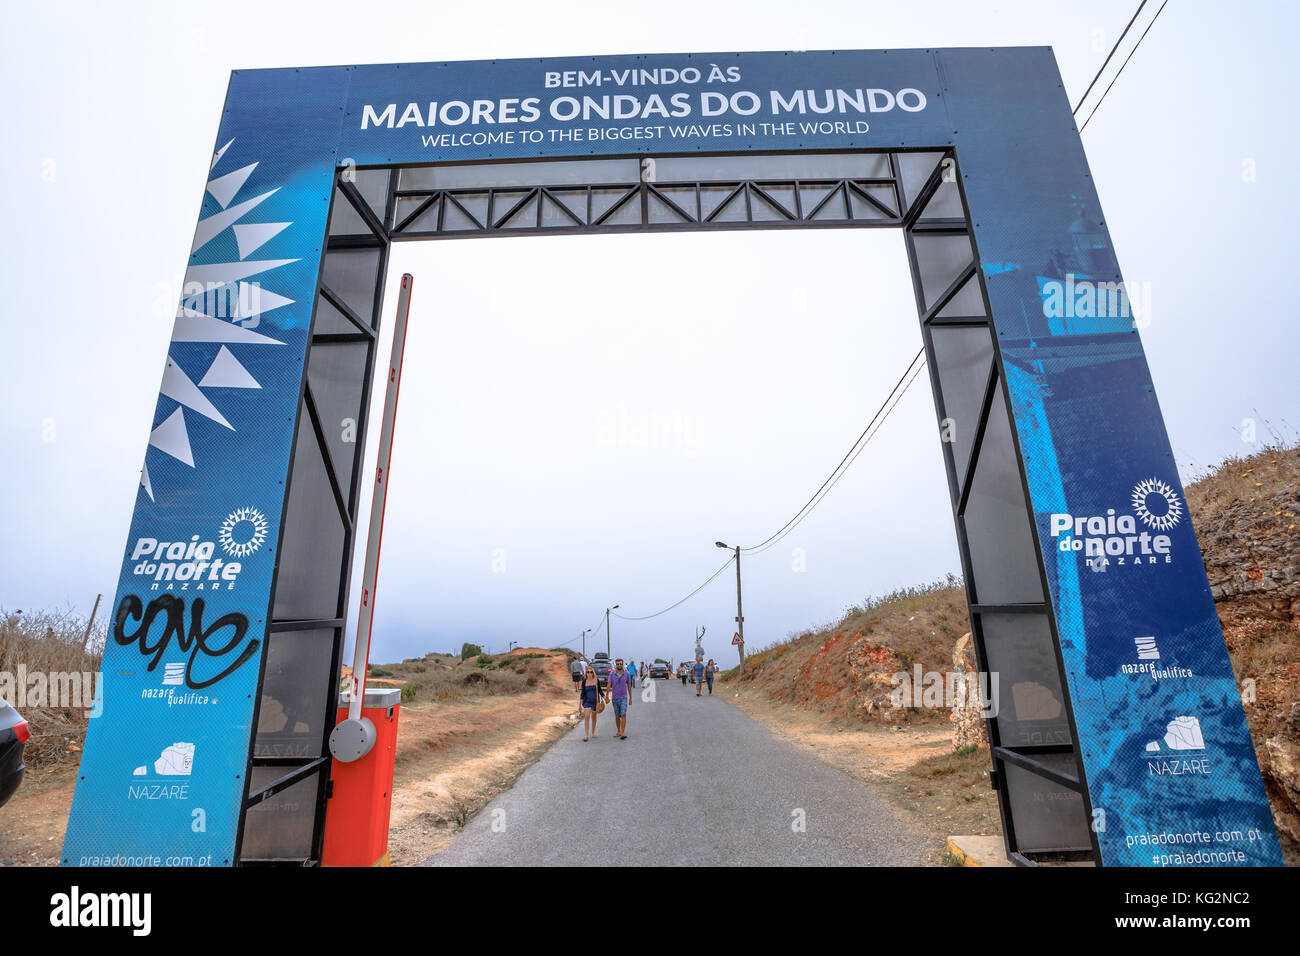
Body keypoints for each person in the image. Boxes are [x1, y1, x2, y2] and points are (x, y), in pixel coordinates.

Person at [606, 657, 633, 739]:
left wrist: (630, 698)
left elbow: (628, 685)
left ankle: (623, 732)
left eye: (621, 664)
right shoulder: (612, 674)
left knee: (623, 714)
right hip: (615, 697)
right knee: (617, 716)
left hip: (624, 697)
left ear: (622, 664)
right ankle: (618, 731)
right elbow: (609, 684)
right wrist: (607, 696)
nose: (619, 665)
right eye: (618, 664)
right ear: (616, 665)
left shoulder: (626, 673)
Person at [578, 665, 606, 741]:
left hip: (595, 702)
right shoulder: (584, 682)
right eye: (588, 672)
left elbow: (600, 691)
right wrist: (580, 705)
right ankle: (586, 735)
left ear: (593, 673)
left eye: (591, 672)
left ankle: (593, 733)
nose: (589, 673)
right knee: (587, 716)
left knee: (594, 718)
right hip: (587, 701)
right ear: (586, 673)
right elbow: (582, 694)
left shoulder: (596, 680)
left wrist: (605, 698)